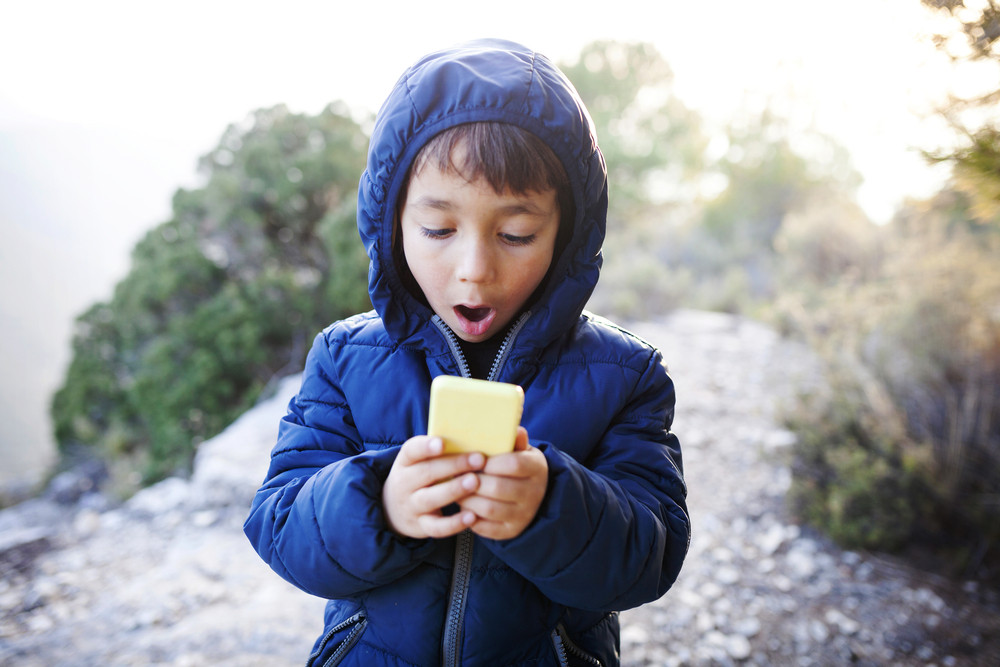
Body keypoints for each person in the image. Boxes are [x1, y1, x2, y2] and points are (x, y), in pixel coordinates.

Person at [244, 39, 690, 667]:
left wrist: (550, 507)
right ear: (390, 223)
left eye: (516, 234)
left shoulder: (625, 377)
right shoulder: (345, 360)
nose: (474, 272)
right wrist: (382, 503)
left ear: (568, 233)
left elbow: (652, 555)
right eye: (438, 230)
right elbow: (280, 524)